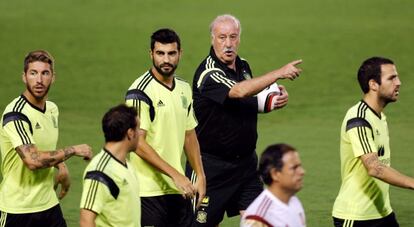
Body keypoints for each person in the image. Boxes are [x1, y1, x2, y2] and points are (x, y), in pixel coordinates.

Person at [185, 14, 303, 226]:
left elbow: (246, 99)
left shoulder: (244, 66)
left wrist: (272, 99)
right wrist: (278, 74)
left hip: (246, 167)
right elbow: (238, 92)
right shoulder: (208, 73)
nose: (228, 44)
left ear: (239, 39)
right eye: (222, 37)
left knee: (262, 221)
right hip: (210, 169)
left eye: (233, 37)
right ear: (212, 39)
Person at [0, 50, 92, 226]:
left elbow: (42, 145)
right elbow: (33, 161)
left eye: (45, 73)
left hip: (48, 205)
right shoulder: (16, 115)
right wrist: (73, 150)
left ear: (53, 77)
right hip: (18, 211)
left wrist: (61, 165)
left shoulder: (51, 109)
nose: (39, 80)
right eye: (33, 73)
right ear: (24, 77)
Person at [125, 28, 206, 226]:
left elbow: (189, 135)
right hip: (146, 192)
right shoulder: (139, 92)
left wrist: (200, 175)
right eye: (160, 53)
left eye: (171, 53)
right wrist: (176, 174)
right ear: (151, 54)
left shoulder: (183, 88)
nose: (166, 60)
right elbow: (138, 143)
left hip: (178, 190)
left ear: (180, 54)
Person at [332, 57, 414, 227]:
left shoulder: (380, 117)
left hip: (383, 212)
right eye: (391, 78)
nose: (398, 83)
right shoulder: (358, 118)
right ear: (373, 84)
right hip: (356, 217)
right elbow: (374, 168)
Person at [79, 104, 141, 227]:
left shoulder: (127, 165)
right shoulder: (100, 172)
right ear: (130, 133)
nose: (140, 134)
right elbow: (86, 221)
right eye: (138, 129)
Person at [241, 143, 306, 227]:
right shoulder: (258, 218)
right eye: (294, 168)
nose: (302, 172)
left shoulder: (293, 200)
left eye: (300, 166)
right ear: (275, 174)